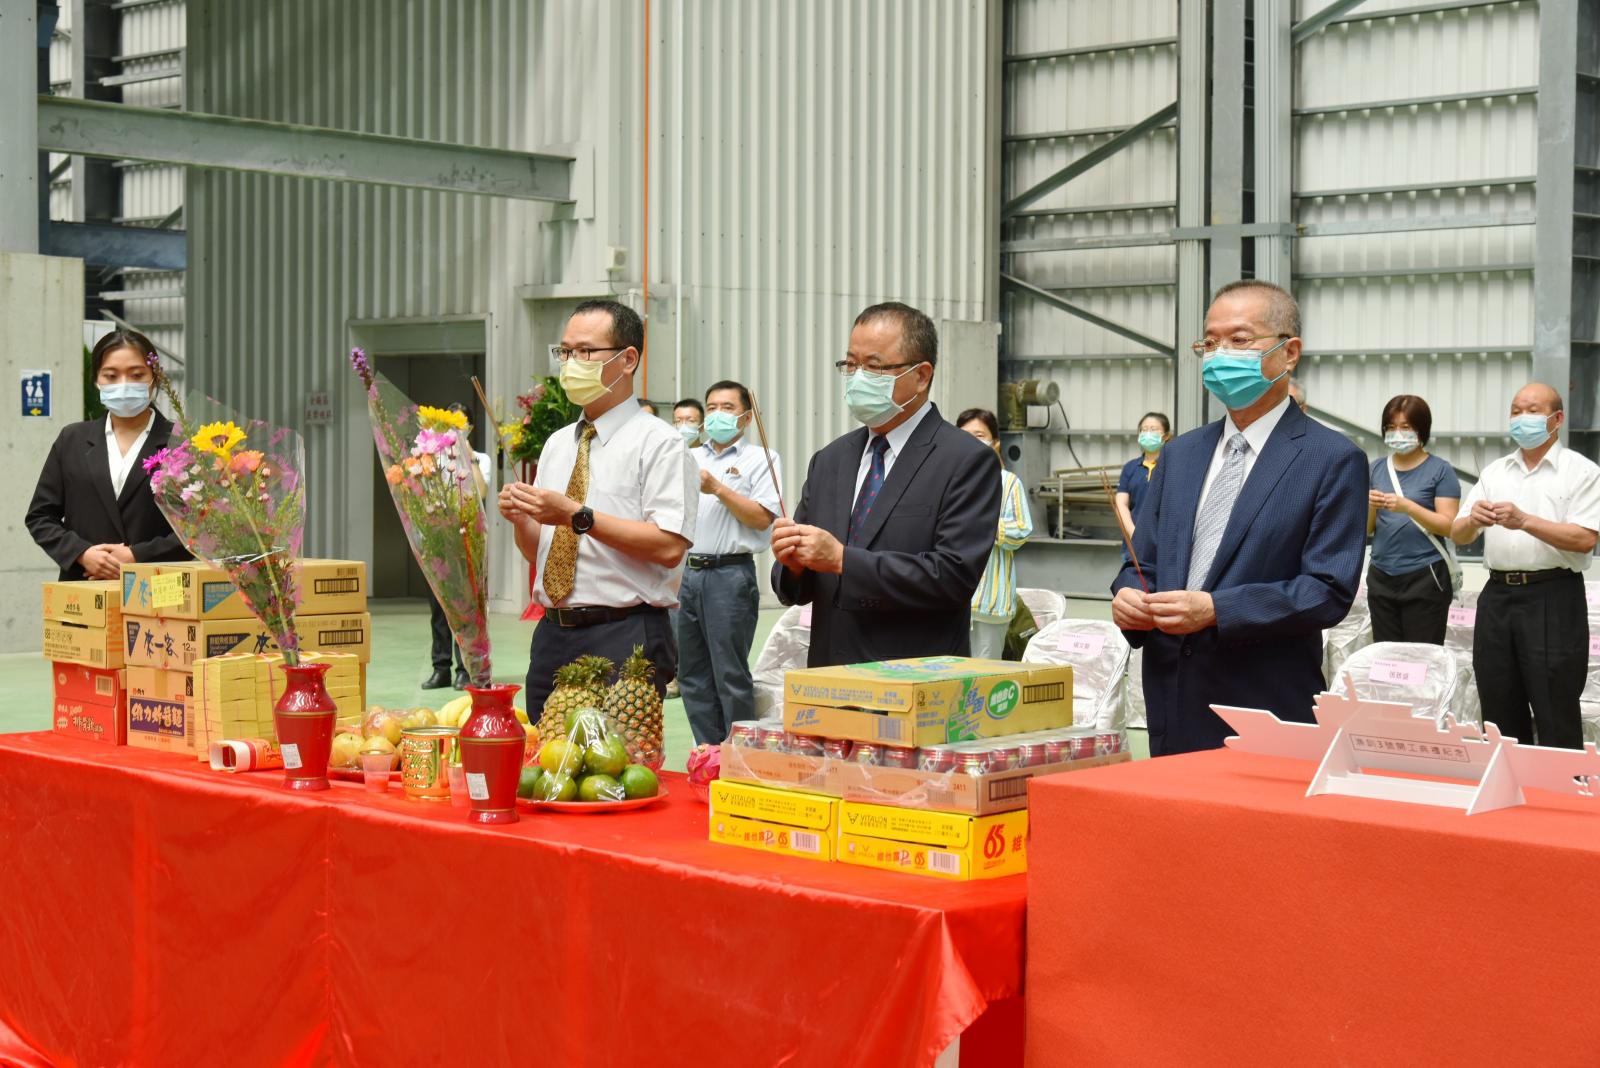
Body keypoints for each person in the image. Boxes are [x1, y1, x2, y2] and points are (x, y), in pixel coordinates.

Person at [1111, 281, 1367, 756]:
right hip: (1172, 696)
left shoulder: (1331, 458)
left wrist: (1217, 610)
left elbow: (1327, 590)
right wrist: (1128, 596)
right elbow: (1141, 561)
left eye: (1240, 340)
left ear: (1289, 353)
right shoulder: (1180, 455)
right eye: (1210, 343)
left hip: (1261, 703)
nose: (1220, 355)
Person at [771, 302, 1001, 667]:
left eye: (874, 367)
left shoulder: (965, 460)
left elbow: (952, 577)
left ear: (921, 375)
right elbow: (798, 584)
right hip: (830, 675)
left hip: (913, 677)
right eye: (851, 365)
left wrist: (844, 560)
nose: (857, 378)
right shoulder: (830, 460)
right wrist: (794, 563)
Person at [499, 300, 698, 719]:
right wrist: (521, 519)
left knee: (616, 757)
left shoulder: (659, 443)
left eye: (586, 351)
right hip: (553, 632)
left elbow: (668, 547)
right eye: (565, 351)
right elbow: (540, 551)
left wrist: (576, 515)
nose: (572, 363)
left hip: (624, 633)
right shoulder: (558, 444)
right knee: (545, 751)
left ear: (628, 360)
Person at [1452, 383, 1600, 749]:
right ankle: (1507, 778)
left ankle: (1562, 783)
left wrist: (1525, 521)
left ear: (1557, 419)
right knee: (1497, 698)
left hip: (1553, 595)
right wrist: (1472, 520)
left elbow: (1585, 538)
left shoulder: (1581, 471)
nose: (1521, 418)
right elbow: (1458, 533)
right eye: (1515, 411)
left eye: (1532, 411)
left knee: (1555, 704)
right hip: (1497, 596)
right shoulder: (1495, 471)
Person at [27, 329, 189, 580]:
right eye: (111, 376)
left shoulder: (181, 443)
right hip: (84, 587)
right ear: (96, 380)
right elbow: (40, 516)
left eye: (137, 375)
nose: (123, 384)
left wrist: (138, 555)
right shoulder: (72, 440)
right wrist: (81, 553)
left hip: (158, 588)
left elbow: (204, 528)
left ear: (155, 377)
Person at [679, 380, 783, 744]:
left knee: (730, 673)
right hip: (688, 573)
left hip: (729, 574)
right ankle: (708, 752)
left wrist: (718, 489)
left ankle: (740, 754)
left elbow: (762, 518)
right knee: (692, 674)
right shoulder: (690, 457)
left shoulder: (762, 458)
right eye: (711, 408)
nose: (717, 415)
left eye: (727, 407)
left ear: (746, 417)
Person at [1366, 395, 1460, 644]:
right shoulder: (1375, 469)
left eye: (1405, 427)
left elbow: (1449, 527)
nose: (1397, 433)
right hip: (1381, 574)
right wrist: (1370, 505)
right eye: (1391, 427)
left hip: (1425, 574)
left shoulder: (1440, 470)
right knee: (1386, 655)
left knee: (1422, 656)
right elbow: (1367, 529)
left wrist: (1408, 507)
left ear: (1421, 430)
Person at [424, 404, 493, 690]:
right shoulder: (432, 457)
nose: (454, 431)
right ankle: (440, 668)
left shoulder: (481, 459)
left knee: (465, 609)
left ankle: (465, 669)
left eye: (460, 425)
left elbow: (481, 491)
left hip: (467, 541)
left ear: (470, 428)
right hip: (439, 539)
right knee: (439, 609)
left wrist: (466, 453)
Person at [957, 408, 1032, 660]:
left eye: (979, 435)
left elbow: (1020, 531)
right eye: (964, 435)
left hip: (991, 603)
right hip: (953, 602)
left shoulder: (1008, 483)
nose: (971, 442)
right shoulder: (947, 481)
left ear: (995, 442)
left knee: (984, 674)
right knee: (949, 672)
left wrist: (983, 524)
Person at [1114, 412, 1170, 545]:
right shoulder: (1130, 467)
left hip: (1164, 542)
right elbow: (1121, 504)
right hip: (1133, 542)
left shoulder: (1173, 466)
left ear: (1166, 436)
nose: (1148, 433)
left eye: (1153, 429)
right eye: (1144, 430)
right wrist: (1134, 534)